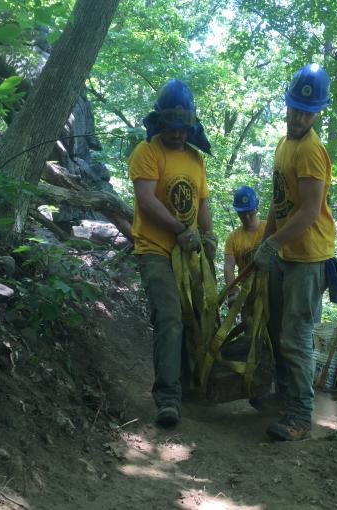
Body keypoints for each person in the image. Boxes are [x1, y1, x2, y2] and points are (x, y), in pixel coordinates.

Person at [252, 63, 336, 441]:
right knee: (275, 328)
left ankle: (301, 415)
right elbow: (280, 203)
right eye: (295, 109)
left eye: (308, 111)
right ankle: (285, 399)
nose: (300, 117)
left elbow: (308, 210)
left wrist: (274, 243)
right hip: (286, 253)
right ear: (286, 105)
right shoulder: (284, 145)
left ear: (317, 112)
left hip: (308, 256)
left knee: (296, 335)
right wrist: (264, 242)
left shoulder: (311, 152)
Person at [129, 78, 217, 427]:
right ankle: (167, 397)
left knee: (193, 317)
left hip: (190, 252)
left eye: (183, 128)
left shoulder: (196, 160)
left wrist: (208, 235)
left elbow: (202, 202)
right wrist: (180, 230)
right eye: (172, 127)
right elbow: (146, 202)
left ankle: (191, 384)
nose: (178, 134)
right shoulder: (146, 152)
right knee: (168, 317)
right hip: (155, 249)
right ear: (161, 121)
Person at [223, 185, 266, 307]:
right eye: (242, 214)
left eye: (250, 213)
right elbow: (228, 267)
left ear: (256, 209)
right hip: (247, 294)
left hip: (270, 288)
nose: (246, 218)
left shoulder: (268, 229)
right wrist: (233, 291)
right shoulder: (233, 238)